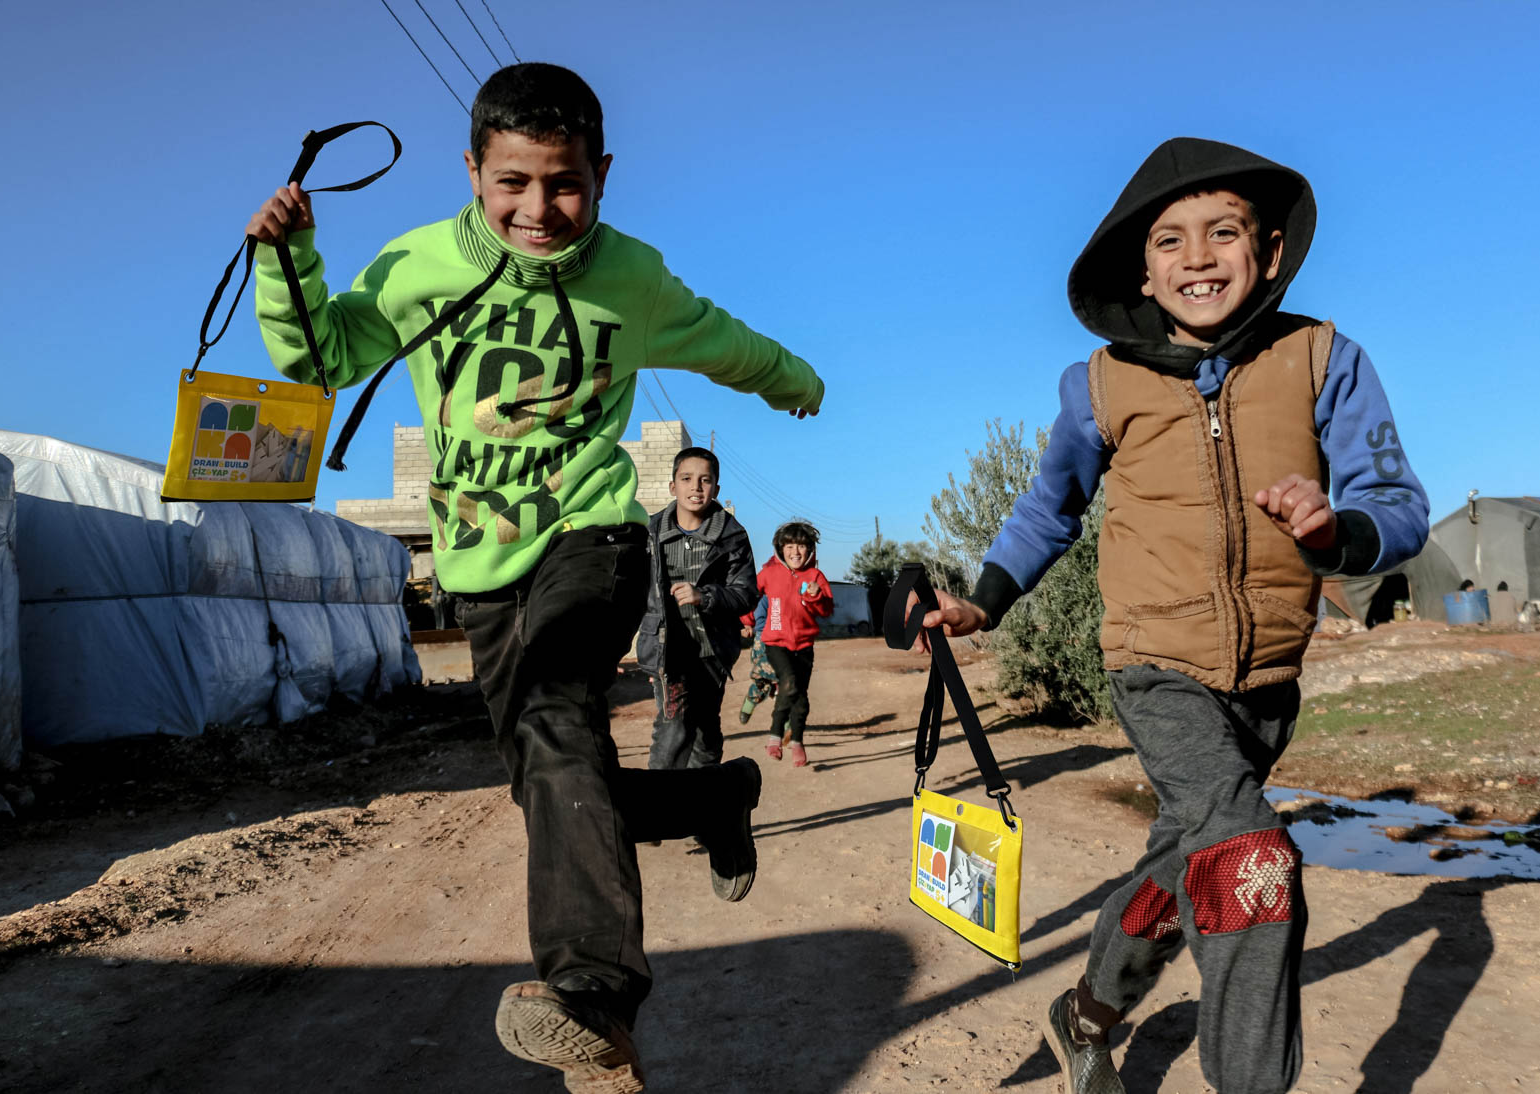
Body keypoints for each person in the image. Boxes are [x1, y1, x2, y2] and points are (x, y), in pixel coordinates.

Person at [246, 62, 824, 1094]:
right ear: (473, 170)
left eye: (565, 184)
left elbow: (721, 340)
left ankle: (594, 999)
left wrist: (794, 380)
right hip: (479, 564)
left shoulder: (629, 277)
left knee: (561, 721)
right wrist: (288, 264)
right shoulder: (418, 264)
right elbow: (320, 358)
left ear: (602, 175)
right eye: (513, 182)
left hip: (592, 538)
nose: (539, 210)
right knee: (551, 782)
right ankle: (710, 798)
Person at [914, 138, 1429, 1094]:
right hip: (1155, 664)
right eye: (1170, 240)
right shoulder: (1100, 385)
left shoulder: (1323, 358)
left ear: (1268, 251)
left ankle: (1086, 1018)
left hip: (1269, 677)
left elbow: (1396, 502)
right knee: (1250, 862)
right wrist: (984, 600)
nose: (1197, 256)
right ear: (1141, 267)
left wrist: (1337, 530)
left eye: (1222, 233)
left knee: (1184, 855)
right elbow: (1048, 509)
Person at [636, 446, 757, 771]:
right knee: (673, 732)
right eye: (687, 478)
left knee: (705, 737)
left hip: (711, 653)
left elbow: (746, 594)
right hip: (668, 654)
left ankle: (700, 811)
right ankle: (659, 817)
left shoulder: (732, 536)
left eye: (705, 480)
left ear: (716, 488)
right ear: (673, 486)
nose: (696, 487)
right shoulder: (648, 535)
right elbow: (632, 594)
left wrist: (705, 595)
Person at [745, 521, 833, 767]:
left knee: (801, 698)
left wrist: (815, 596)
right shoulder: (769, 573)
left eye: (802, 546)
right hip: (776, 641)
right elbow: (750, 595)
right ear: (780, 548)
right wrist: (746, 621)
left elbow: (826, 610)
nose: (796, 552)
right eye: (790, 546)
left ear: (811, 550)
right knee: (790, 684)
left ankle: (797, 742)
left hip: (804, 643)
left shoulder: (816, 576)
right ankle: (774, 736)